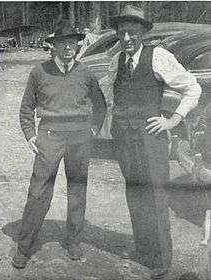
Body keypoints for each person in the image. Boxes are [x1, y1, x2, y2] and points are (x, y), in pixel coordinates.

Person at [108, 5, 201, 279]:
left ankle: (161, 259)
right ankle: (144, 250)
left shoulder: (158, 56)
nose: (126, 39)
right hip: (125, 139)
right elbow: (110, 90)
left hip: (150, 139)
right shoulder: (117, 62)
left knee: (155, 195)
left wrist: (173, 120)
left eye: (132, 33)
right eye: (122, 32)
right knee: (135, 193)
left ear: (142, 33)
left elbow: (192, 87)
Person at [12, 18, 107, 269]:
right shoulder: (39, 72)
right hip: (49, 136)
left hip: (79, 137)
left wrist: (93, 129)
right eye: (63, 43)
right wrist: (30, 134)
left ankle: (74, 242)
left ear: (77, 46)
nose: (68, 48)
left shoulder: (86, 73)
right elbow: (26, 109)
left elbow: (100, 106)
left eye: (73, 43)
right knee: (38, 192)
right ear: (54, 46)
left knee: (77, 191)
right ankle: (24, 247)